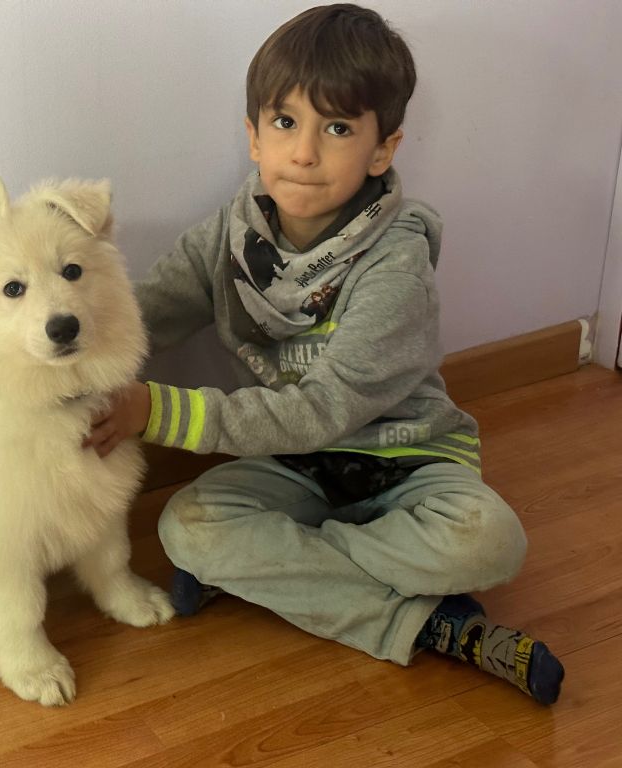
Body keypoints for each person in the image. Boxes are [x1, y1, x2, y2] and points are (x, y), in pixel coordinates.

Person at [85, 3, 564, 705]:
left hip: (406, 460)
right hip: (296, 464)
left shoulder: (395, 264)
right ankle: (430, 621)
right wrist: (60, 349)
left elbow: (325, 408)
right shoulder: (228, 238)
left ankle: (273, 571)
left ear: (382, 150)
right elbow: (140, 317)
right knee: (185, 528)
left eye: (336, 128)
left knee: (490, 542)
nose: (304, 152)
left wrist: (153, 409)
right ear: (254, 137)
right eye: (285, 123)